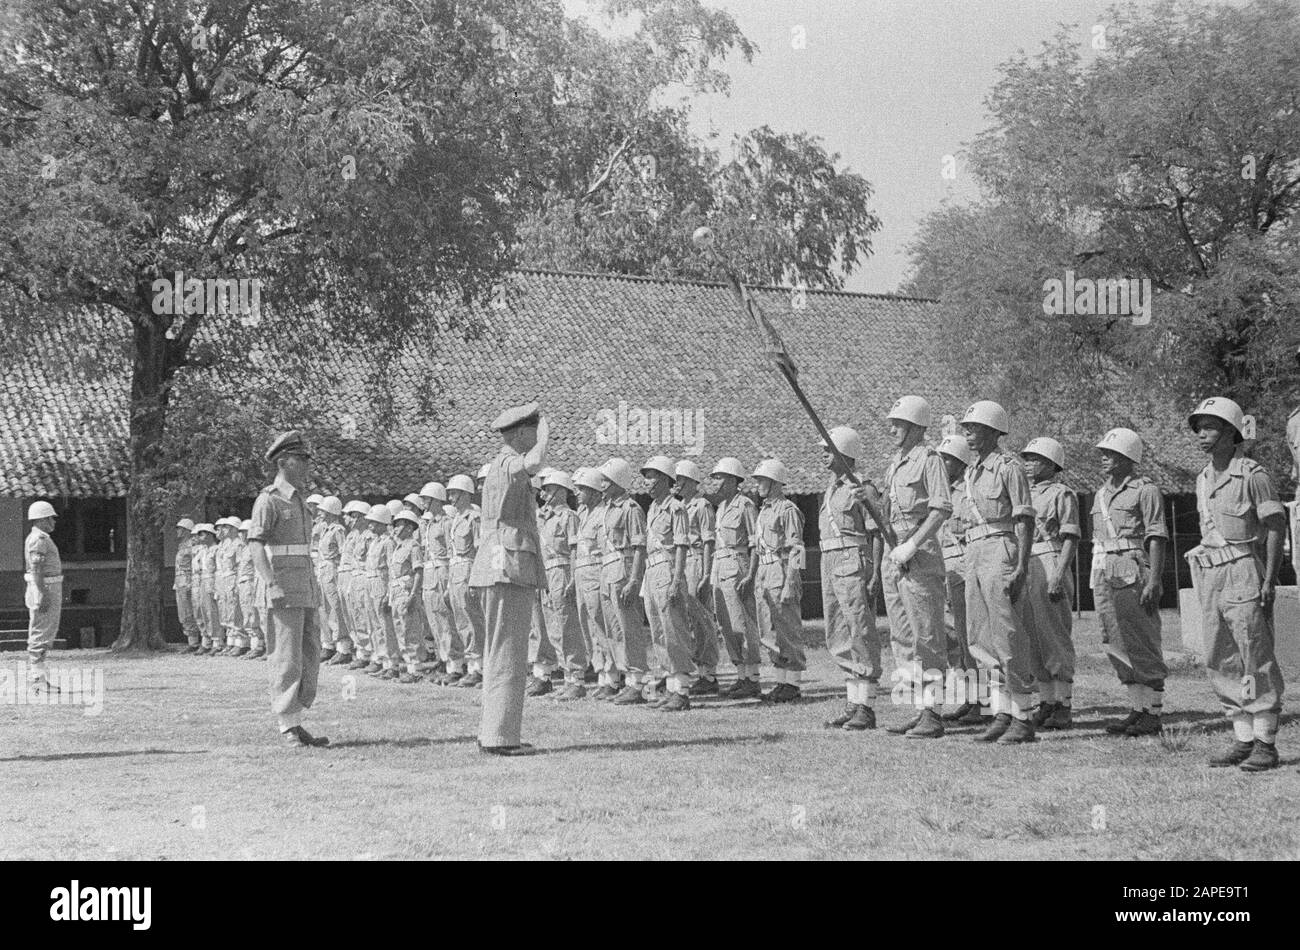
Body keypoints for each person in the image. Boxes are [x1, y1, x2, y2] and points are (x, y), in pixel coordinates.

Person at [1186, 398, 1287, 772]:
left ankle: (1266, 741)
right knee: (1220, 656)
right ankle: (1243, 738)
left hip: (1244, 568)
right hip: (1210, 575)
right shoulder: (1202, 478)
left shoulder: (1252, 474)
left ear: (1232, 432)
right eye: (1198, 428)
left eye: (1210, 427)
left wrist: (1271, 578)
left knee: (1254, 655)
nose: (1202, 435)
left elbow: (1275, 526)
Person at [469, 402, 549, 755]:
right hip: (507, 566)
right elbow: (533, 464)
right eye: (531, 431)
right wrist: (546, 434)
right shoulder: (509, 463)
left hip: (498, 563)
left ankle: (493, 731)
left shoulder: (499, 465)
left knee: (499, 651)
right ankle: (501, 737)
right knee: (509, 653)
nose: (534, 438)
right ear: (520, 433)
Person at [959, 401, 1037, 744]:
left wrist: (1021, 564)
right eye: (966, 428)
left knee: (1007, 634)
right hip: (974, 552)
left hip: (1000, 548)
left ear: (993, 431)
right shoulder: (972, 471)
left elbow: (1023, 518)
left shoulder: (1009, 468)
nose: (968, 434)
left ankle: (1024, 715)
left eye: (974, 428)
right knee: (980, 637)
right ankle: (1002, 711)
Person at [247, 431, 329, 748]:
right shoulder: (269, 500)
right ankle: (286, 725)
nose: (307, 465)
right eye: (301, 460)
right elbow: (256, 544)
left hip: (305, 587)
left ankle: (296, 720)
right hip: (283, 588)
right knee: (286, 656)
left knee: (309, 652)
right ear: (284, 462)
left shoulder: (298, 500)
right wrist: (271, 583)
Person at [879, 398, 952, 739]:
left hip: (920, 555)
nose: (892, 428)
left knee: (928, 635)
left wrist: (913, 543)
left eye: (898, 422)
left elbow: (940, 509)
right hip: (896, 555)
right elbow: (886, 512)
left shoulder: (929, 460)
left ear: (916, 427)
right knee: (904, 635)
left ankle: (934, 712)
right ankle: (919, 708)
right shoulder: (895, 465)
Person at [1091, 427, 1168, 737]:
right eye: (1104, 453)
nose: (1104, 459)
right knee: (1114, 638)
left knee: (1141, 638)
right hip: (1104, 568)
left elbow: (1157, 535)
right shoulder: (1100, 494)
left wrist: (1155, 579)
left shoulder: (1145, 490)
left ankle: (1154, 711)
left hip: (1133, 568)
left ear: (1127, 458)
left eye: (1111, 454)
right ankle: (1136, 708)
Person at [820, 427, 882, 727]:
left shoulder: (862, 488)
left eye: (829, 451)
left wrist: (874, 573)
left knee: (861, 630)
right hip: (829, 562)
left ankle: (867, 707)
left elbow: (877, 532)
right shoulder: (831, 489)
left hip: (853, 560)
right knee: (838, 633)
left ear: (845, 453)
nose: (824, 457)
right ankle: (852, 702)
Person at [1019, 437, 1080, 730]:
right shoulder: (1022, 493)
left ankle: (1064, 704)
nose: (1029, 465)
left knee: (1054, 634)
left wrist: (1059, 574)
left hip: (1051, 558)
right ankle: (1046, 701)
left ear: (1053, 464)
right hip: (1027, 562)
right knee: (1032, 636)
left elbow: (1071, 537)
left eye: (1036, 459)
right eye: (1027, 459)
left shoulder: (1061, 493)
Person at [640, 456, 694, 711]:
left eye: (651, 476)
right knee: (658, 631)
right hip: (652, 570)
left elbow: (682, 545)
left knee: (674, 630)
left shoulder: (676, 507)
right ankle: (670, 686)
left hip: (668, 568)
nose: (646, 482)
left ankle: (682, 690)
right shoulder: (653, 508)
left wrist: (676, 581)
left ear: (663, 479)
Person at [935, 434, 982, 723]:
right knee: (953, 637)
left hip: (966, 563)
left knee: (972, 635)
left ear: (962, 462)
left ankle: (984, 701)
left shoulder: (968, 492)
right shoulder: (941, 492)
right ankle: (969, 696)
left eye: (948, 459)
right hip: (944, 566)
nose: (942, 464)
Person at [753, 458, 806, 703]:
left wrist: (790, 583)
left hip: (781, 569)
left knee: (787, 627)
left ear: (775, 482)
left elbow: (797, 550)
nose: (758, 485)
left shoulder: (788, 510)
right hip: (764, 571)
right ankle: (780, 681)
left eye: (762, 480)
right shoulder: (764, 510)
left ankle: (793, 684)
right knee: (769, 629)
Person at [709, 458, 763, 698]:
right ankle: (740, 674)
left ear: (732, 479)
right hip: (719, 566)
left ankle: (752, 677)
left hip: (738, 565)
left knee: (743, 621)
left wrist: (751, 574)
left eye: (720, 477)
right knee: (725, 623)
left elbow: (755, 543)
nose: (716, 483)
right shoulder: (721, 508)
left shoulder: (746, 505)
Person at [599, 457, 650, 705]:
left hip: (624, 569)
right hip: (609, 572)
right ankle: (627, 679)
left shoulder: (631, 509)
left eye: (607, 481)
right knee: (615, 630)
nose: (603, 485)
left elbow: (640, 546)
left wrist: (634, 580)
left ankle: (637, 683)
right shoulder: (609, 508)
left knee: (630, 629)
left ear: (619, 482)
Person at [539, 470, 588, 700]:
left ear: (561, 490)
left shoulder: (569, 516)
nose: (544, 493)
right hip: (548, 573)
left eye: (549, 489)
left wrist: (572, 579)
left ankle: (576, 679)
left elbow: (574, 550)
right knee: (554, 628)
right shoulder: (547, 518)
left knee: (568, 626)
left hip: (563, 571)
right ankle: (567, 677)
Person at [676, 460, 722, 695]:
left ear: (693, 481)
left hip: (696, 559)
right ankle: (697, 667)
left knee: (702, 617)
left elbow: (708, 541)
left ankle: (709, 674)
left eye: (682, 480)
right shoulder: (680, 506)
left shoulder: (702, 505)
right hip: (682, 562)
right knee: (689, 618)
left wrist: (706, 573)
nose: (678, 484)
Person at [574, 467, 615, 698]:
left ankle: (612, 675)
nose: (577, 493)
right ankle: (601, 673)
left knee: (603, 625)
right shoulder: (581, 514)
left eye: (582, 489)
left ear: (592, 490)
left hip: (597, 573)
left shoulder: (603, 514)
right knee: (588, 627)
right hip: (582, 574)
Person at [419, 482, 462, 684]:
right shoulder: (430, 524)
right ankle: (443, 659)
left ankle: (456, 664)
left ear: (436, 499)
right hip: (430, 573)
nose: (424, 503)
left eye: (427, 499)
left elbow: (452, 552)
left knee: (447, 620)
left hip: (443, 571)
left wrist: (450, 580)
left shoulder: (446, 522)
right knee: (435, 620)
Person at [447, 474, 487, 687]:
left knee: (474, 620)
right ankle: (471, 666)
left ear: (465, 494)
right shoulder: (456, 518)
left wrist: (476, 579)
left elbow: (480, 550)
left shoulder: (474, 517)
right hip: (455, 571)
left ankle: (480, 667)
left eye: (454, 493)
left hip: (469, 569)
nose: (451, 497)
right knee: (462, 620)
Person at [24, 500, 62, 692]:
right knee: (41, 630)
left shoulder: (42, 538)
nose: (53, 522)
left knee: (46, 629)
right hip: (44, 586)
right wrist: (43, 593)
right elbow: (37, 569)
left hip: (47, 585)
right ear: (41, 519)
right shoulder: (38, 540)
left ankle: (39, 675)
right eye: (50, 518)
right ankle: (37, 678)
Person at [388, 509, 427, 684]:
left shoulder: (414, 546)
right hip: (396, 592)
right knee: (400, 629)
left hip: (406, 591)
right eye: (395, 525)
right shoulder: (398, 547)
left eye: (400, 524)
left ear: (410, 527)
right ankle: (407, 665)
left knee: (410, 629)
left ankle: (415, 668)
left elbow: (418, 571)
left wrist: (414, 594)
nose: (395, 528)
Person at [362, 504, 398, 679]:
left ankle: (393, 663)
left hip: (382, 583)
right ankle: (382, 660)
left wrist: (389, 594)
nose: (370, 526)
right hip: (370, 582)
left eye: (374, 522)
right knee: (374, 624)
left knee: (386, 625)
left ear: (383, 523)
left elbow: (392, 568)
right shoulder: (374, 541)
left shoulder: (388, 542)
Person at [315, 496, 352, 665]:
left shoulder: (337, 530)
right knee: (323, 606)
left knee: (335, 607)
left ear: (330, 511)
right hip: (322, 569)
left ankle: (343, 647)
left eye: (322, 510)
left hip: (332, 569)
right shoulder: (324, 529)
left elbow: (344, 553)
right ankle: (328, 643)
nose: (319, 512)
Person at [237, 519, 267, 660]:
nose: (242, 535)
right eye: (241, 532)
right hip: (246, 582)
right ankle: (256, 645)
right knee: (248, 613)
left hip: (253, 581)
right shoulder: (244, 549)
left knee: (256, 614)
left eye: (245, 532)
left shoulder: (256, 547)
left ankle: (262, 646)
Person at [215, 517, 246, 656]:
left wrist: (238, 583)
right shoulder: (224, 544)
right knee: (225, 610)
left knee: (235, 611)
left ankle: (240, 643)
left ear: (234, 529)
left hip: (233, 578)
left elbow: (240, 565)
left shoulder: (238, 544)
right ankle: (230, 642)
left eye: (227, 527)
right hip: (223, 579)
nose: (224, 530)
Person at [192, 524, 221, 655]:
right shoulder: (202, 551)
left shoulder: (216, 549)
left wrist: (217, 586)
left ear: (210, 535)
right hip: (202, 581)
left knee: (212, 612)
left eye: (202, 534)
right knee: (202, 610)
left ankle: (217, 641)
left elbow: (218, 569)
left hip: (212, 581)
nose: (200, 537)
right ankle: (206, 640)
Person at [173, 518, 201, 653]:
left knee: (192, 611)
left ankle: (197, 641)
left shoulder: (192, 546)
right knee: (183, 612)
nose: (177, 531)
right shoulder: (182, 545)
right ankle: (192, 640)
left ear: (186, 531)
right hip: (180, 582)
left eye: (180, 529)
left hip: (189, 582)